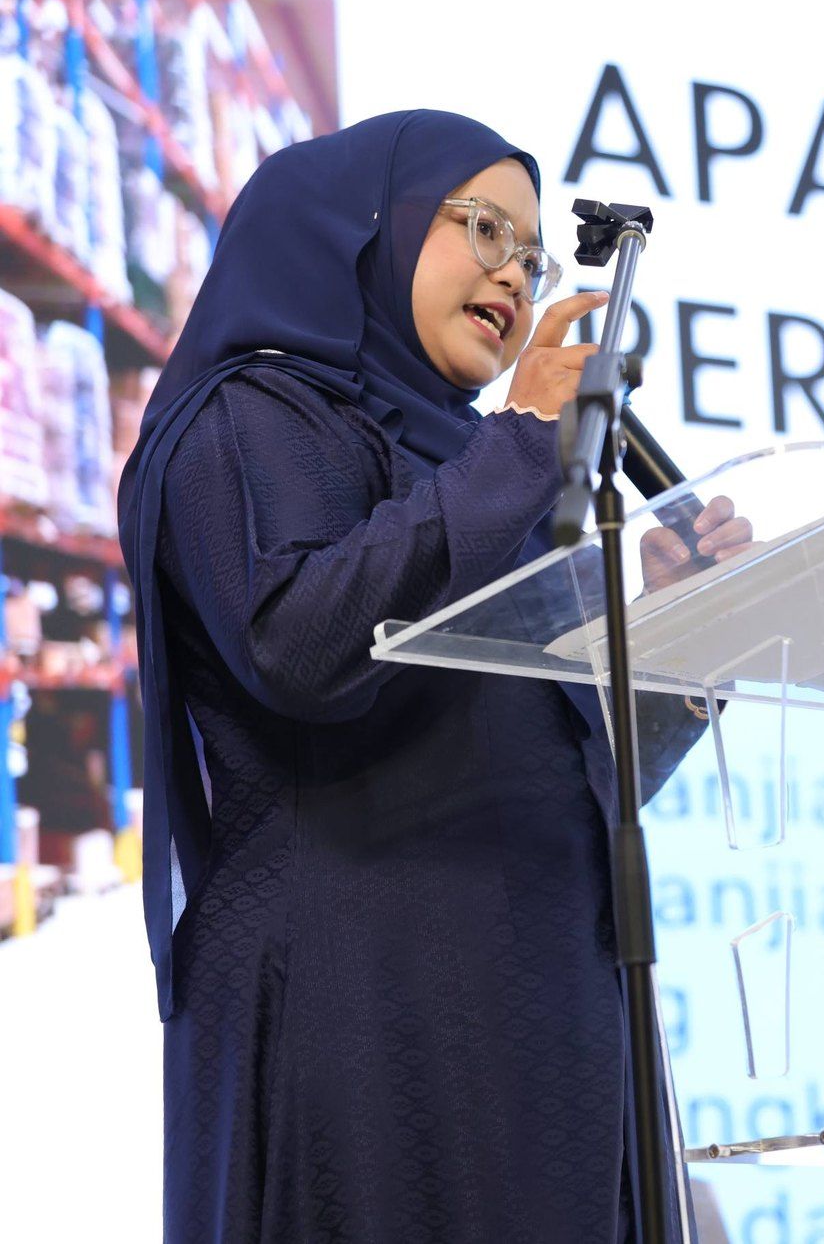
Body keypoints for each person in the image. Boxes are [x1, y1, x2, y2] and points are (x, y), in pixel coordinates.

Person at [117, 110, 750, 1242]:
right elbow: (300, 645)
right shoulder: (253, 416)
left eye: (533, 256)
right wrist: (522, 440)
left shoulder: (487, 477)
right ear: (371, 225)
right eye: (486, 229)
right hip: (362, 1021)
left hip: (539, 1031)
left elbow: (553, 778)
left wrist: (680, 645)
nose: (515, 274)